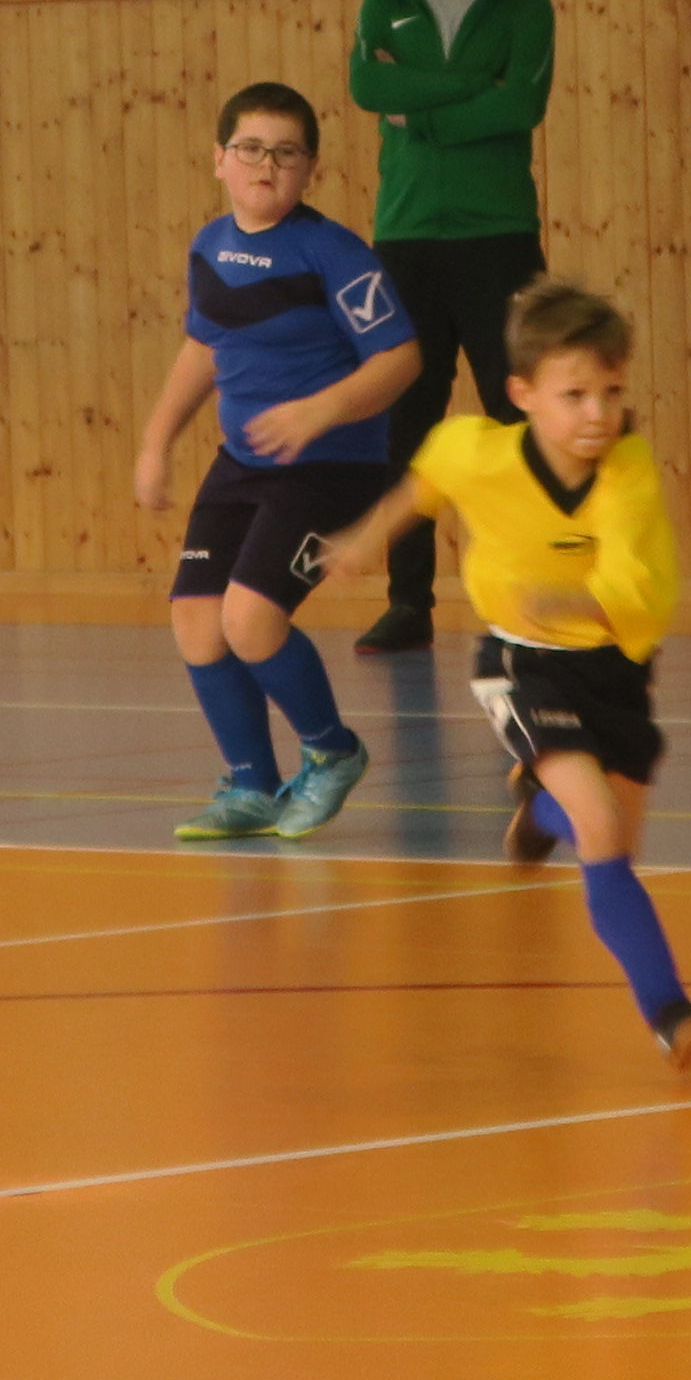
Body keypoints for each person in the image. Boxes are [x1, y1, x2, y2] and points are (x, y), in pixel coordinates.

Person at [316, 280, 691, 1077]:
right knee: (601, 825)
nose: (597, 414)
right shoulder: (477, 451)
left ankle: (537, 808)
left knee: (611, 842)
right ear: (522, 394)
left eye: (611, 392)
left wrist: (577, 599)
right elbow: (424, 485)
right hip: (523, 662)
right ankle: (671, 1013)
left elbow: (638, 585)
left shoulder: (627, 471)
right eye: (574, 395)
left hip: (616, 670)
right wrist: (364, 541)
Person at [131, 81, 417, 842]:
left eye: (287, 154)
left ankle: (333, 753)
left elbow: (400, 358)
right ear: (219, 159)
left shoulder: (333, 253)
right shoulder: (208, 246)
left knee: (250, 619)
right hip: (243, 463)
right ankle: (252, 785)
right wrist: (158, 441)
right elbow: (204, 345)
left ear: (311, 169)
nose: (267, 166)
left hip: (330, 467)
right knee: (197, 622)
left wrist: (322, 409)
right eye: (252, 149)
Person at [344, 0, 557, 655]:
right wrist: (474, 90)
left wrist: (423, 110)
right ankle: (409, 603)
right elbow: (370, 90)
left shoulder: (526, 8)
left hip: (497, 236)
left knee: (518, 415)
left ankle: (535, 593)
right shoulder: (385, 6)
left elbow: (521, 104)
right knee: (410, 424)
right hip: (405, 239)